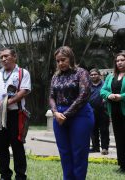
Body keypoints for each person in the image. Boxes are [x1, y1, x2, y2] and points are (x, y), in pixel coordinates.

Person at [49, 46, 94, 179]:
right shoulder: (55, 76)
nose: (60, 63)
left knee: (79, 152)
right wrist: (55, 112)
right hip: (59, 116)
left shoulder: (81, 73)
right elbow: (51, 96)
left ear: (71, 58)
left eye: (63, 60)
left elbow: (84, 95)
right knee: (64, 153)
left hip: (80, 115)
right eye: (57, 61)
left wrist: (66, 114)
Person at [0, 47, 31, 180]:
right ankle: (5, 175)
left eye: (6, 56)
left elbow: (24, 91)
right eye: (1, 57)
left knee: (17, 145)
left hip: (15, 114)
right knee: (1, 146)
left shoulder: (22, 73)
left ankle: (20, 176)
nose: (3, 59)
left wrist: (7, 102)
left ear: (14, 57)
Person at [100, 52, 125, 173]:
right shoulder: (110, 76)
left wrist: (122, 96)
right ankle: (122, 165)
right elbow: (102, 90)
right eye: (117, 60)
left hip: (124, 110)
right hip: (115, 112)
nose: (119, 62)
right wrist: (109, 95)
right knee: (119, 138)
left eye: (122, 60)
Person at [89, 68, 110, 155]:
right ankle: (95, 147)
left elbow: (109, 93)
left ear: (99, 75)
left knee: (104, 130)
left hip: (103, 111)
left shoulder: (105, 85)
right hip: (91, 111)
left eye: (95, 74)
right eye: (92, 75)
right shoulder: (88, 85)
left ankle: (105, 148)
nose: (93, 76)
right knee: (93, 130)